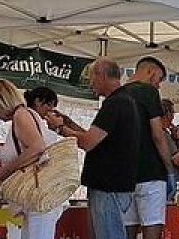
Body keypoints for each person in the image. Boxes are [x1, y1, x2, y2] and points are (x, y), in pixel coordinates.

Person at [46, 58, 140, 239]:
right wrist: (68, 123)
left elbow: (88, 142)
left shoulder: (115, 103)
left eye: (92, 78)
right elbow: (97, 139)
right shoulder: (125, 101)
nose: (91, 83)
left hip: (108, 186)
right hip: (115, 185)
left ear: (102, 75)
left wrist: (60, 128)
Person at [0, 79, 63, 239]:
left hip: (39, 197)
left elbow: (37, 148)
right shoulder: (25, 115)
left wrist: (4, 172)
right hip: (38, 197)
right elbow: (29, 159)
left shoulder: (21, 115)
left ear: (1, 101)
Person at [120, 56, 177, 239]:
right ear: (150, 71)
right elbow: (157, 135)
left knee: (127, 228)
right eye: (159, 79)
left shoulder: (117, 95)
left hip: (125, 176)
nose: (158, 86)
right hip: (151, 174)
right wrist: (169, 169)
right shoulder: (148, 92)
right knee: (151, 228)